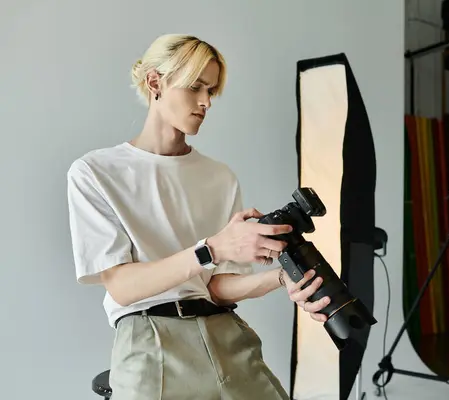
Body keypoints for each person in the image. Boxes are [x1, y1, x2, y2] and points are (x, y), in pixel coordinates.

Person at [66, 33, 330, 400]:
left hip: (226, 334)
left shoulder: (219, 177)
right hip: (150, 339)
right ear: (155, 82)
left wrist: (282, 278)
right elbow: (122, 287)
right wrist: (211, 249)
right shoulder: (96, 172)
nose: (206, 102)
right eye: (196, 87)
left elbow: (216, 288)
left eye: (212, 91)